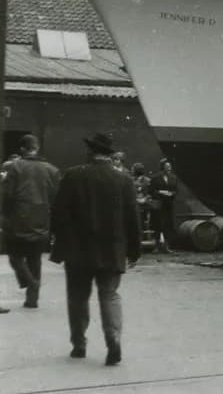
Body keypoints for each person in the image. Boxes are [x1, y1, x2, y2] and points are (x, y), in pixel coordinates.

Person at [49, 132, 141, 365]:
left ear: (90, 152)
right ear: (109, 155)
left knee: (78, 297)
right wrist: (134, 251)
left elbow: (58, 214)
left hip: (78, 251)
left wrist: (60, 244)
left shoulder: (73, 175)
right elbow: (133, 219)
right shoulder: (124, 180)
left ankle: (79, 345)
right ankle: (114, 341)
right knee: (109, 295)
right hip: (112, 250)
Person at [3, 135, 61, 308]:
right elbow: (56, 197)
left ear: (22, 149)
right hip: (42, 219)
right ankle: (32, 299)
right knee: (35, 259)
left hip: (18, 219)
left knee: (15, 257)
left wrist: (5, 215)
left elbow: (7, 195)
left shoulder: (16, 167)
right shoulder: (52, 170)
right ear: (37, 147)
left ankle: (29, 281)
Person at [149, 159, 179, 253]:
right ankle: (157, 246)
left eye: (170, 167)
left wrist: (171, 194)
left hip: (168, 205)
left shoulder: (174, 178)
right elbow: (151, 191)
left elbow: (176, 190)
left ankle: (166, 246)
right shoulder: (155, 178)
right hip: (158, 205)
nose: (169, 168)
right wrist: (161, 192)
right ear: (162, 167)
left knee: (168, 225)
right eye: (167, 167)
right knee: (157, 225)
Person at [131, 163, 152, 239]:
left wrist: (144, 199)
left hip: (145, 205)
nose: (131, 170)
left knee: (144, 222)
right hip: (134, 204)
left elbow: (150, 193)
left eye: (133, 169)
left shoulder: (147, 180)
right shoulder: (130, 180)